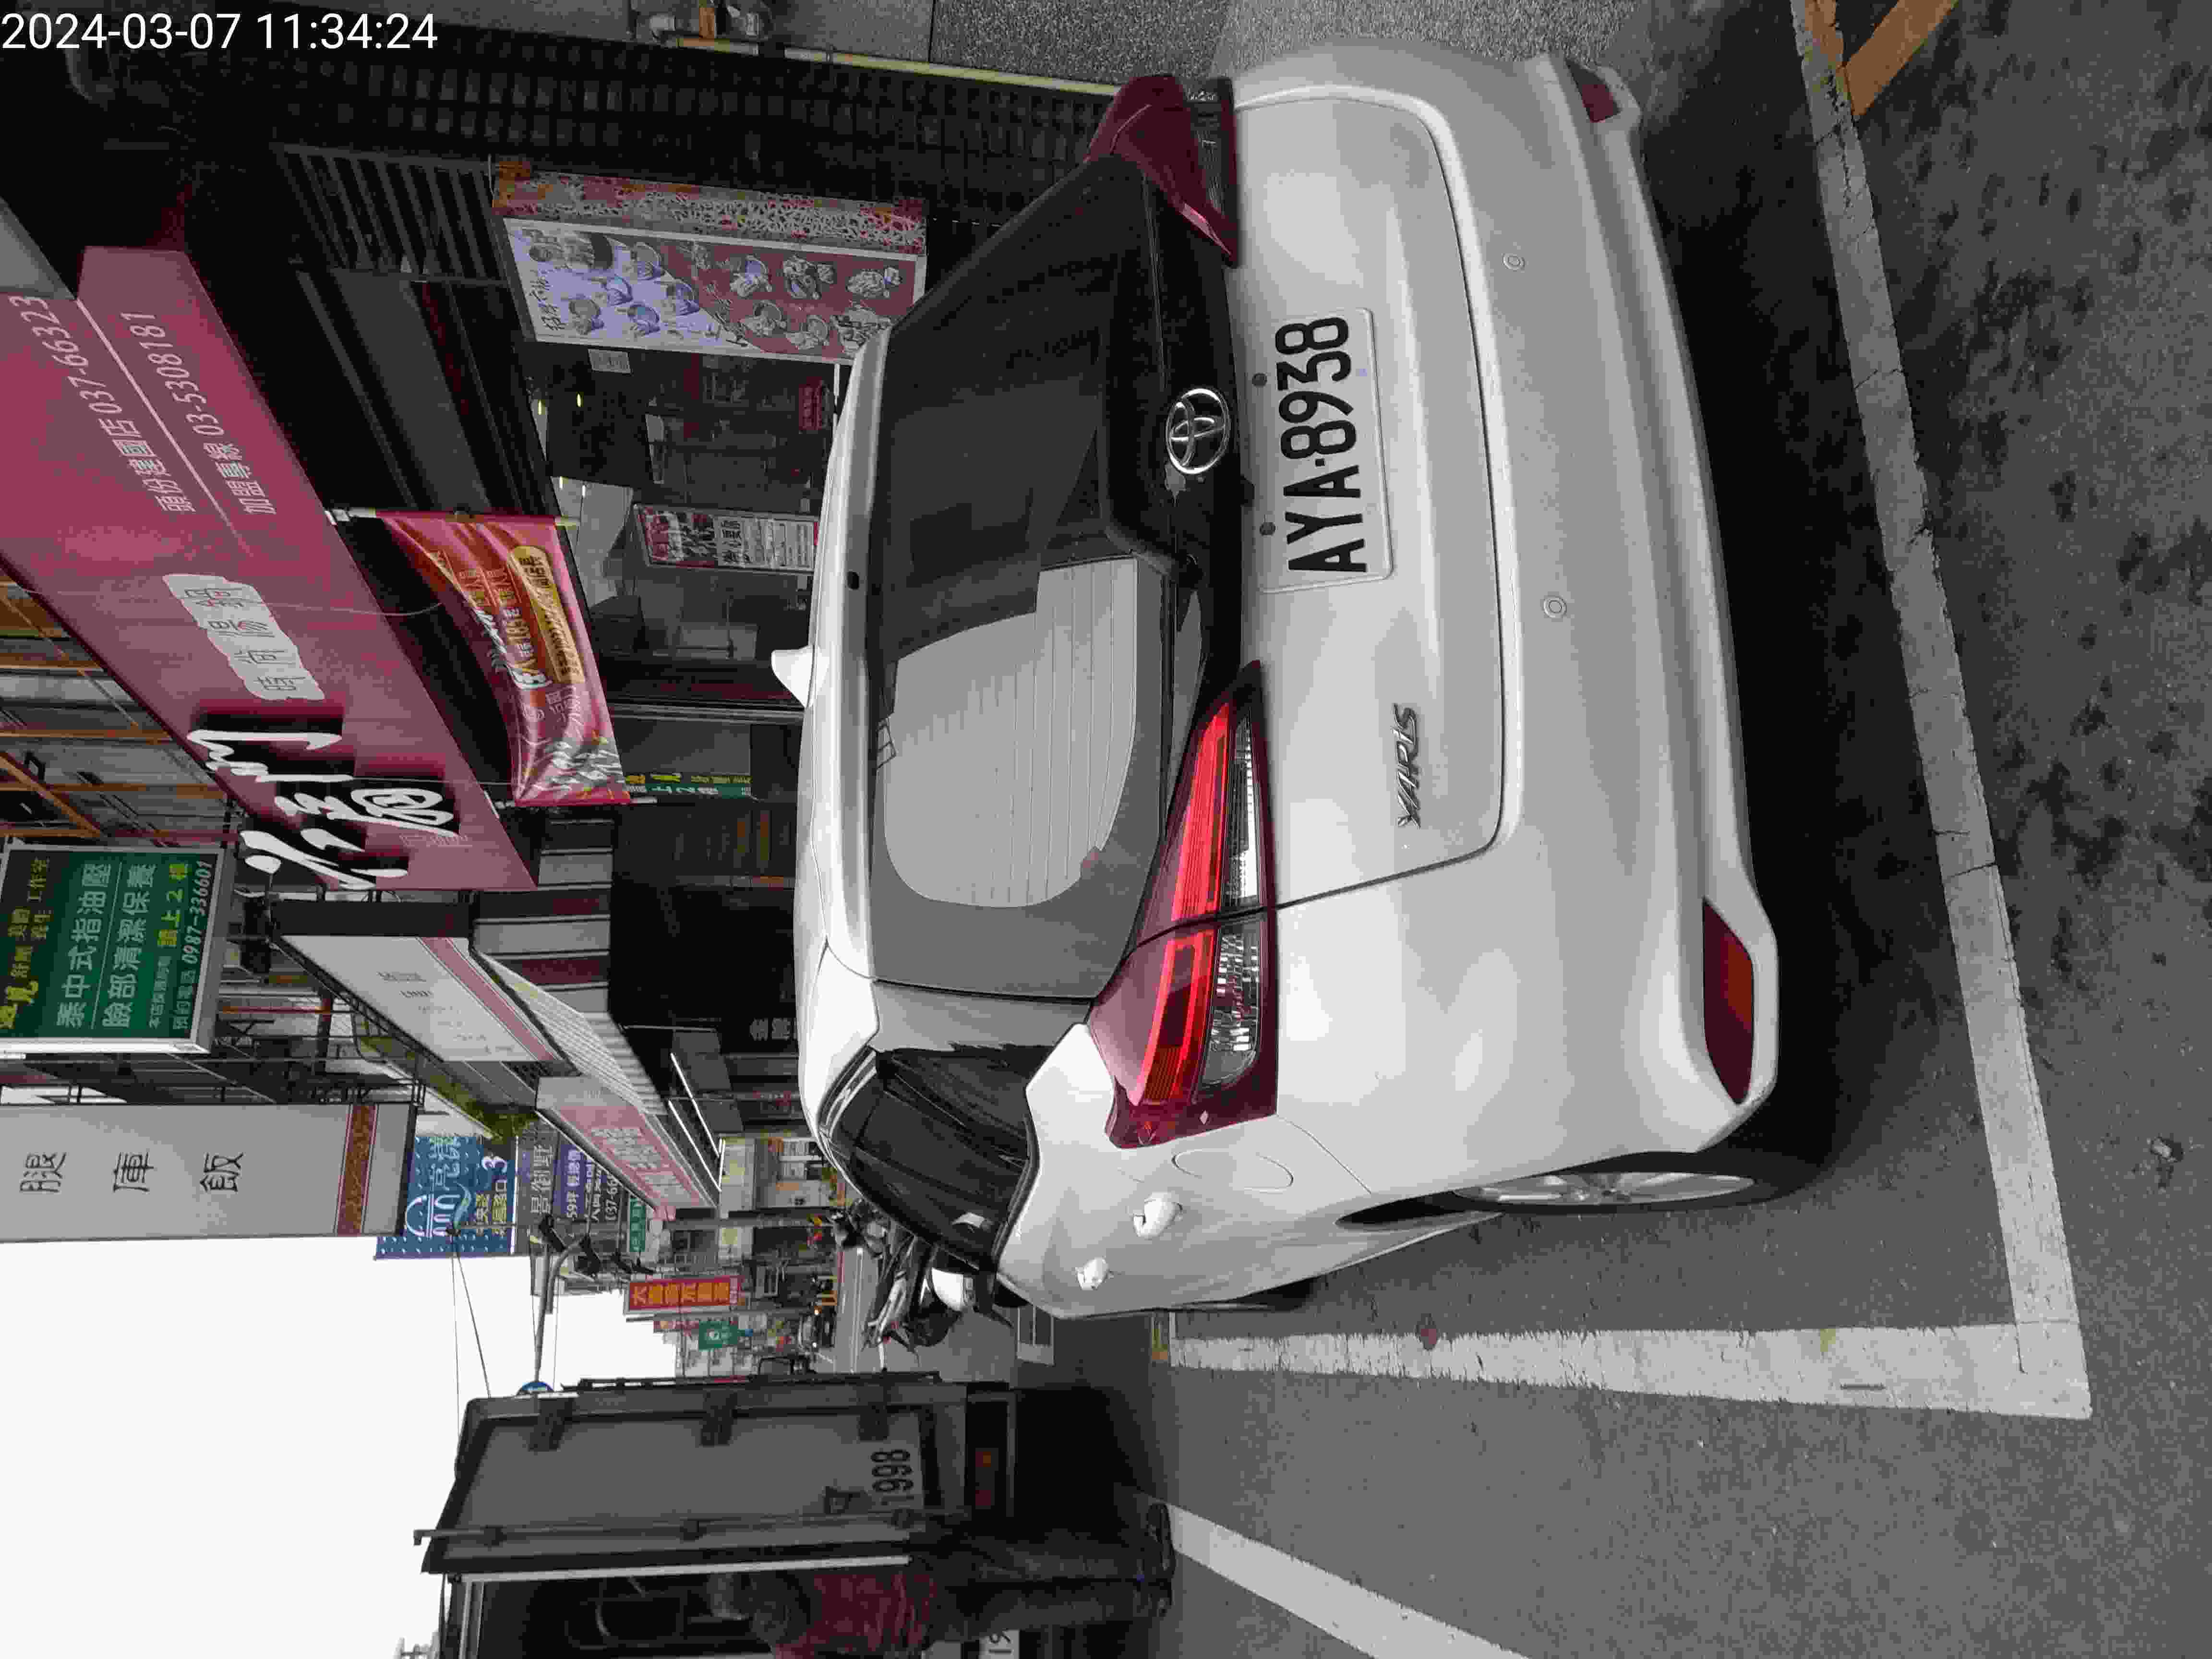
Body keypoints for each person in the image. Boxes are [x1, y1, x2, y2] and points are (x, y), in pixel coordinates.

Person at [704, 1505, 1175, 1658]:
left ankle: (1146, 1602)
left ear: (739, 1615)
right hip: (925, 1575)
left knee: (1041, 1610)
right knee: (1032, 1562)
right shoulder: (791, 1560)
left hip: (928, 1629)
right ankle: (1147, 1560)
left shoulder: (787, 1647)